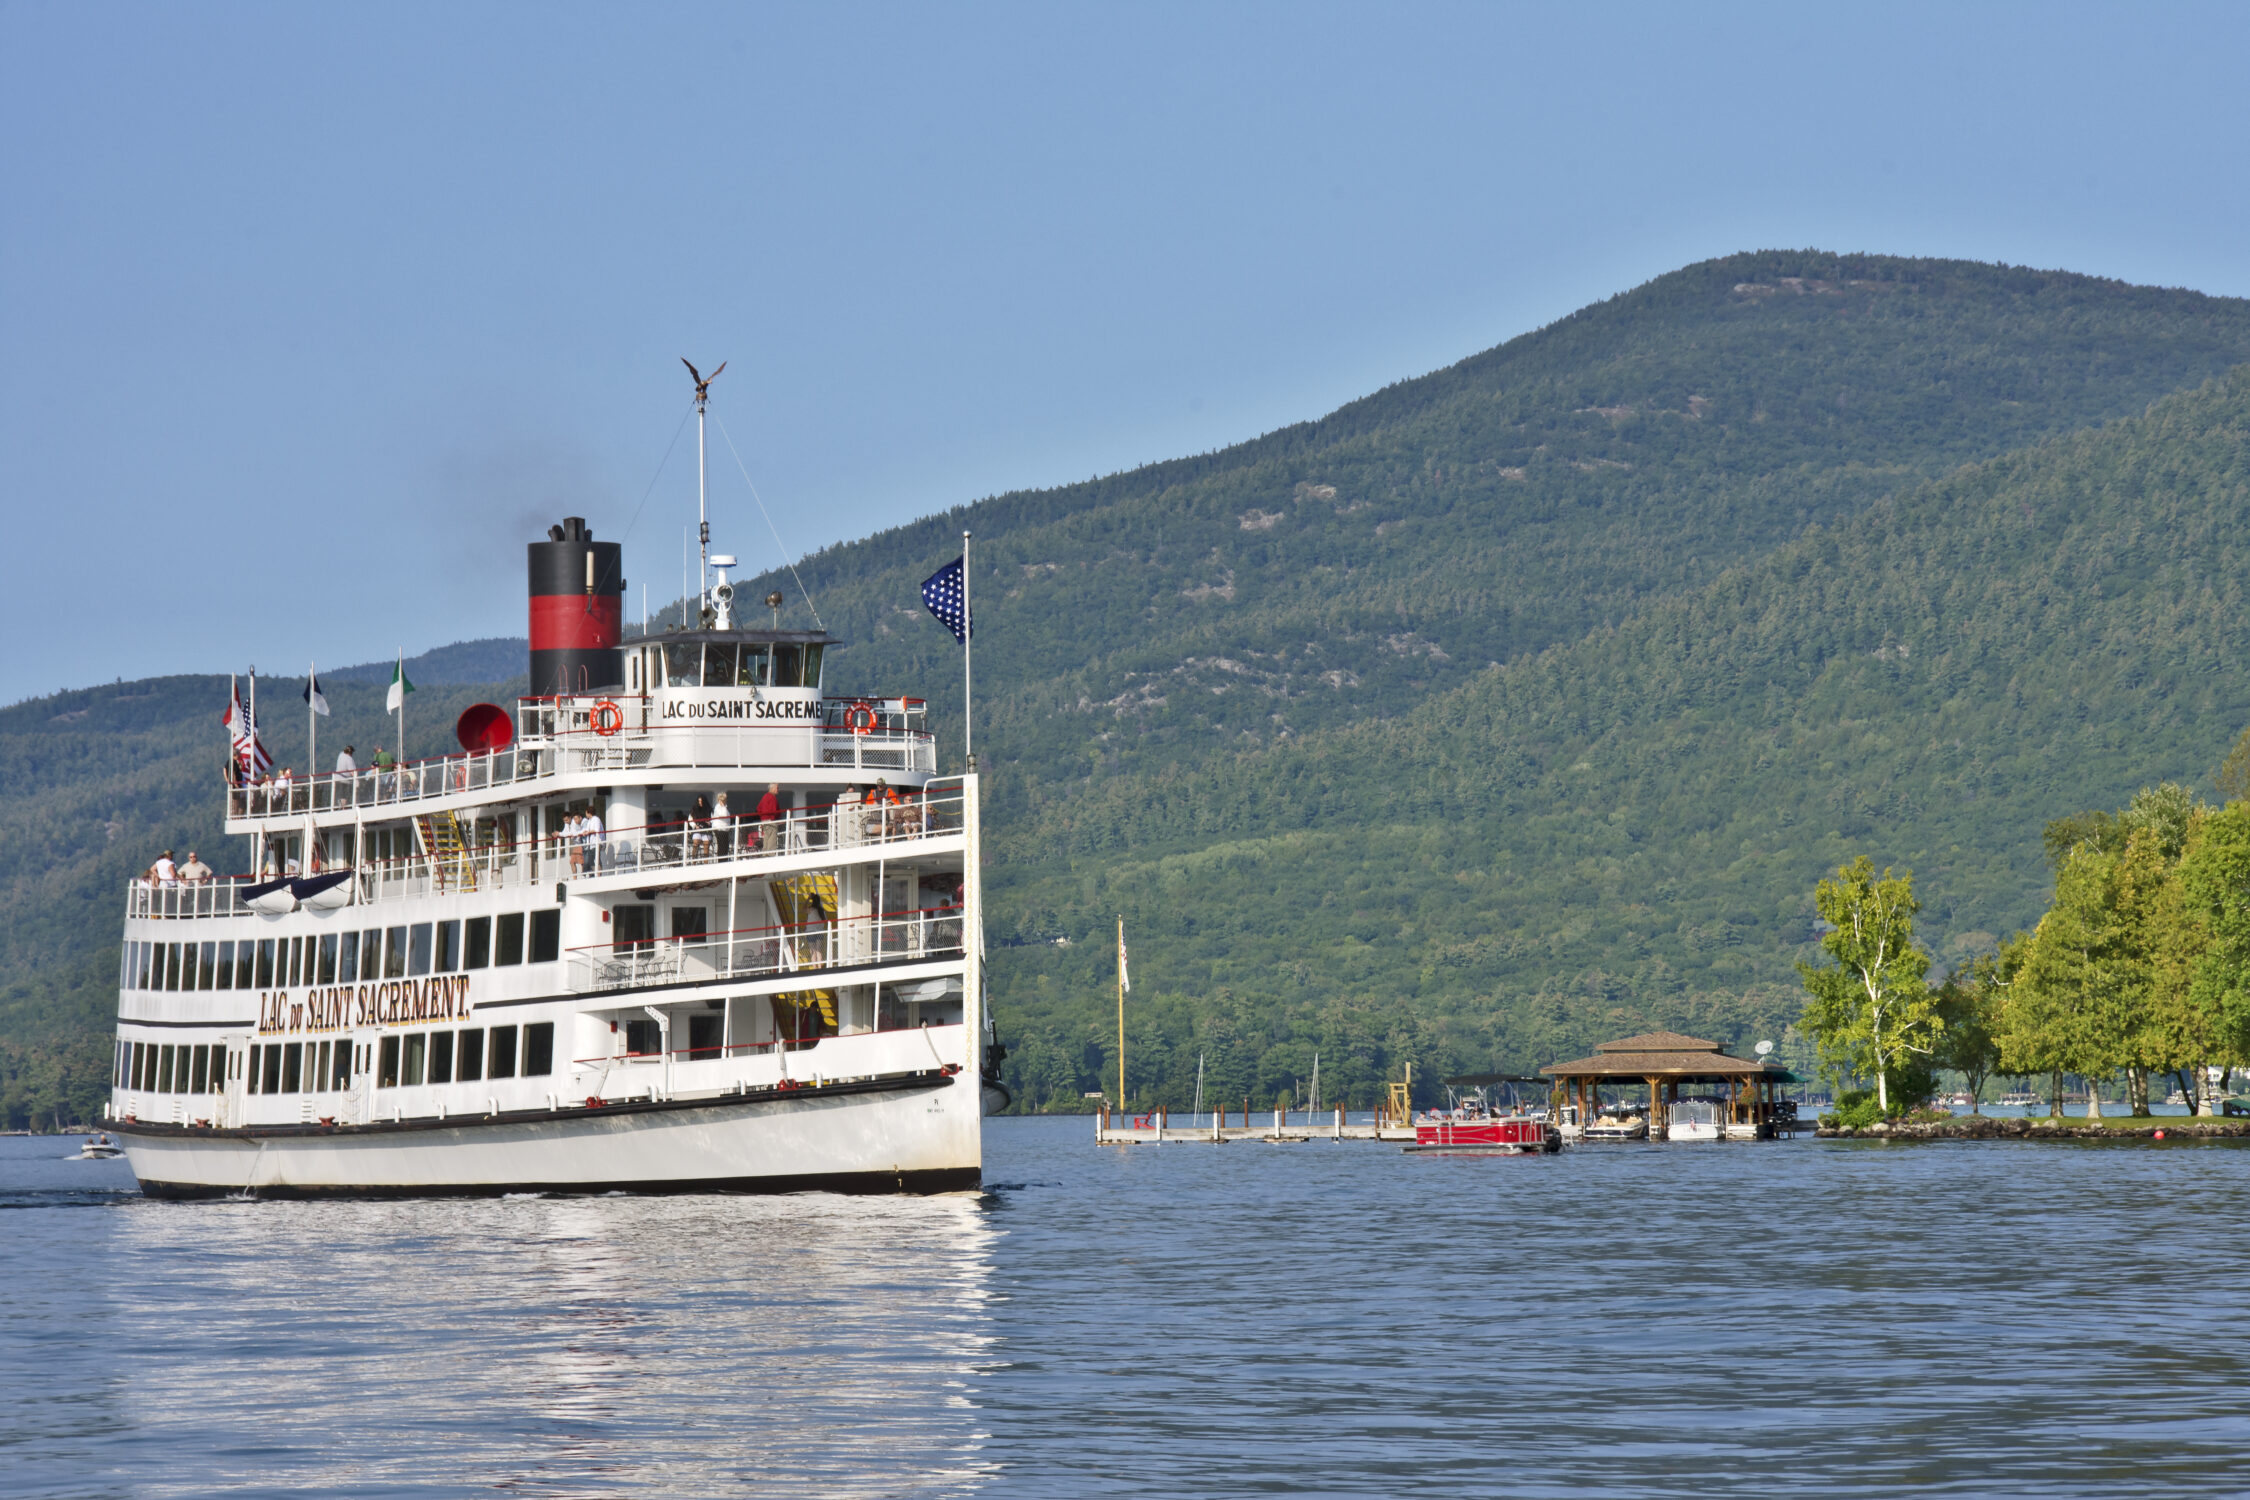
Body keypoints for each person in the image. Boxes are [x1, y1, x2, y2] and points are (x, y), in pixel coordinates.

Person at [756, 783, 782, 851]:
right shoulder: (772, 797)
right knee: (772, 841)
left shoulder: (765, 796)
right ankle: (770, 855)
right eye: (777, 788)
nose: (778, 790)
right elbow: (774, 811)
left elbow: (758, 808)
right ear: (772, 789)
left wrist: (763, 817)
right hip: (771, 822)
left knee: (766, 839)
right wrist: (776, 818)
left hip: (764, 822)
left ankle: (765, 855)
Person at [581, 806, 606, 873]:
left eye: (586, 813)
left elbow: (596, 829)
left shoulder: (596, 819)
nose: (585, 814)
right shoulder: (589, 821)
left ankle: (598, 874)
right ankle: (596, 872)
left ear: (588, 813)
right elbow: (587, 829)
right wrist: (585, 832)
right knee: (590, 860)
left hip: (597, 842)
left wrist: (588, 832)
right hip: (591, 843)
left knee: (597, 858)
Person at [710, 791, 733, 857]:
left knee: (725, 846)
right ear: (719, 800)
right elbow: (724, 815)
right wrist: (723, 806)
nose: (723, 801)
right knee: (721, 846)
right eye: (721, 800)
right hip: (720, 829)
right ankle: (721, 861)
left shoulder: (724, 807)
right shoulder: (718, 807)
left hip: (725, 829)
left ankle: (724, 859)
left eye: (724, 800)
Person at [563, 810, 584, 876]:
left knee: (582, 862)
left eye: (566, 820)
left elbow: (576, 832)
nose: (565, 822)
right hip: (575, 845)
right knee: (572, 862)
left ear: (570, 818)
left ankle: (585, 876)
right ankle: (575, 878)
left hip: (580, 844)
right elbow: (564, 832)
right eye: (564, 820)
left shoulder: (574, 823)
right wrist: (558, 834)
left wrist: (572, 835)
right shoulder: (567, 824)